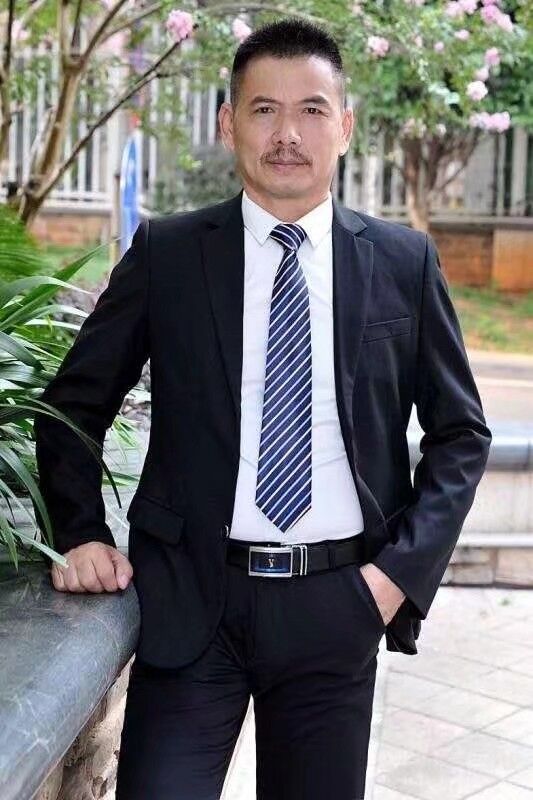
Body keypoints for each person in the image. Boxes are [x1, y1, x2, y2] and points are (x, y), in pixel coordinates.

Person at [33, 17, 492, 800]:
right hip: (192, 605)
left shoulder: (401, 261)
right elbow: (72, 404)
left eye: (311, 110)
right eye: (263, 109)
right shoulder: (170, 253)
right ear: (228, 124)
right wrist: (79, 532)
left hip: (337, 606)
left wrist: (395, 578)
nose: (287, 134)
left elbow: (460, 434)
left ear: (344, 127)